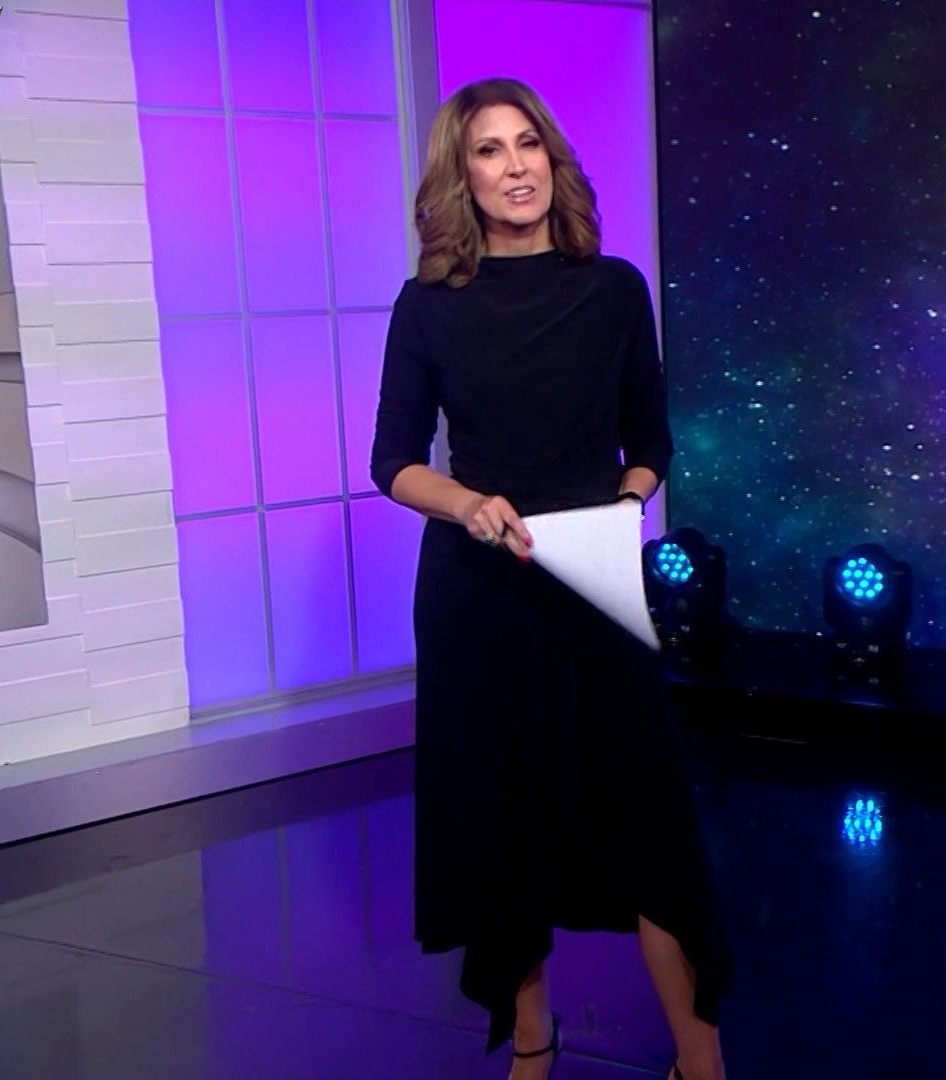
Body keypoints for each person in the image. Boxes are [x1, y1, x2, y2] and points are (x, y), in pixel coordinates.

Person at [369, 77, 731, 1080]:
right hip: (479, 596)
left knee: (652, 822)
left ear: (553, 159)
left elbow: (650, 438)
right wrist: (465, 504)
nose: (515, 166)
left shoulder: (613, 290)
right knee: (503, 824)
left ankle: (700, 1061)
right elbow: (392, 460)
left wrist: (628, 502)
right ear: (463, 176)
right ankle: (532, 1041)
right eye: (489, 150)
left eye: (528, 143)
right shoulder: (428, 306)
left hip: (593, 584)